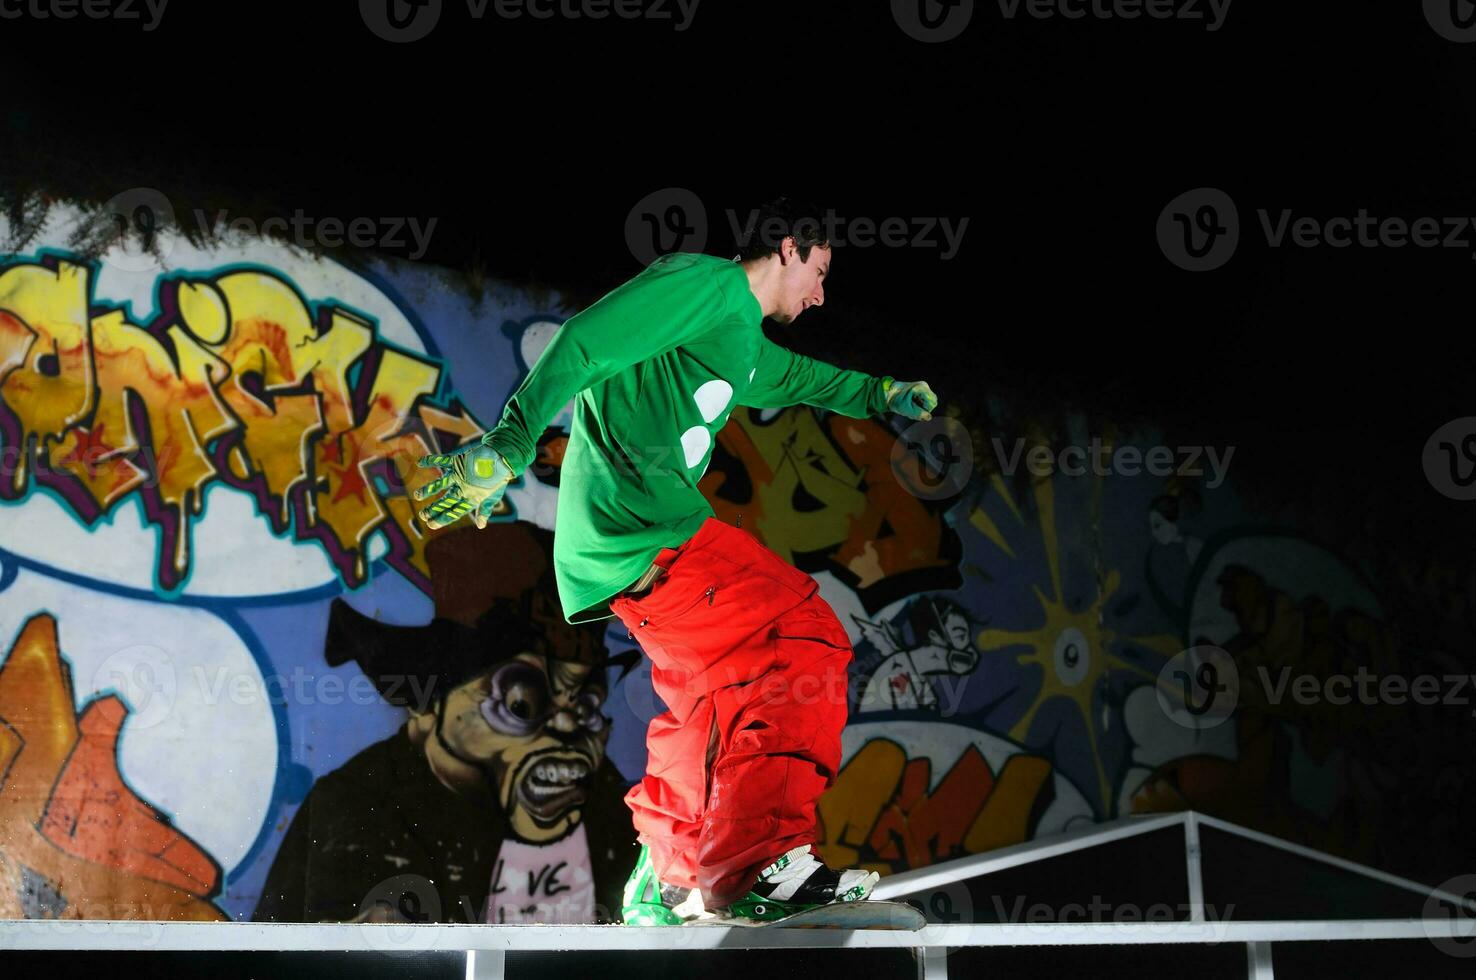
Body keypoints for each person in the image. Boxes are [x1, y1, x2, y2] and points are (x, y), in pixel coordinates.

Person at [414, 198, 938, 923]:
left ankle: (671, 873)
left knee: (707, 693)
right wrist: (512, 438)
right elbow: (586, 341)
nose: (821, 294)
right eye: (818, 272)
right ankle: (759, 862)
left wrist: (879, 392)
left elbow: (798, 379)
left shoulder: (740, 338)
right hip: (645, 528)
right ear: (787, 249)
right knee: (803, 636)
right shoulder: (705, 284)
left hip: (620, 552)